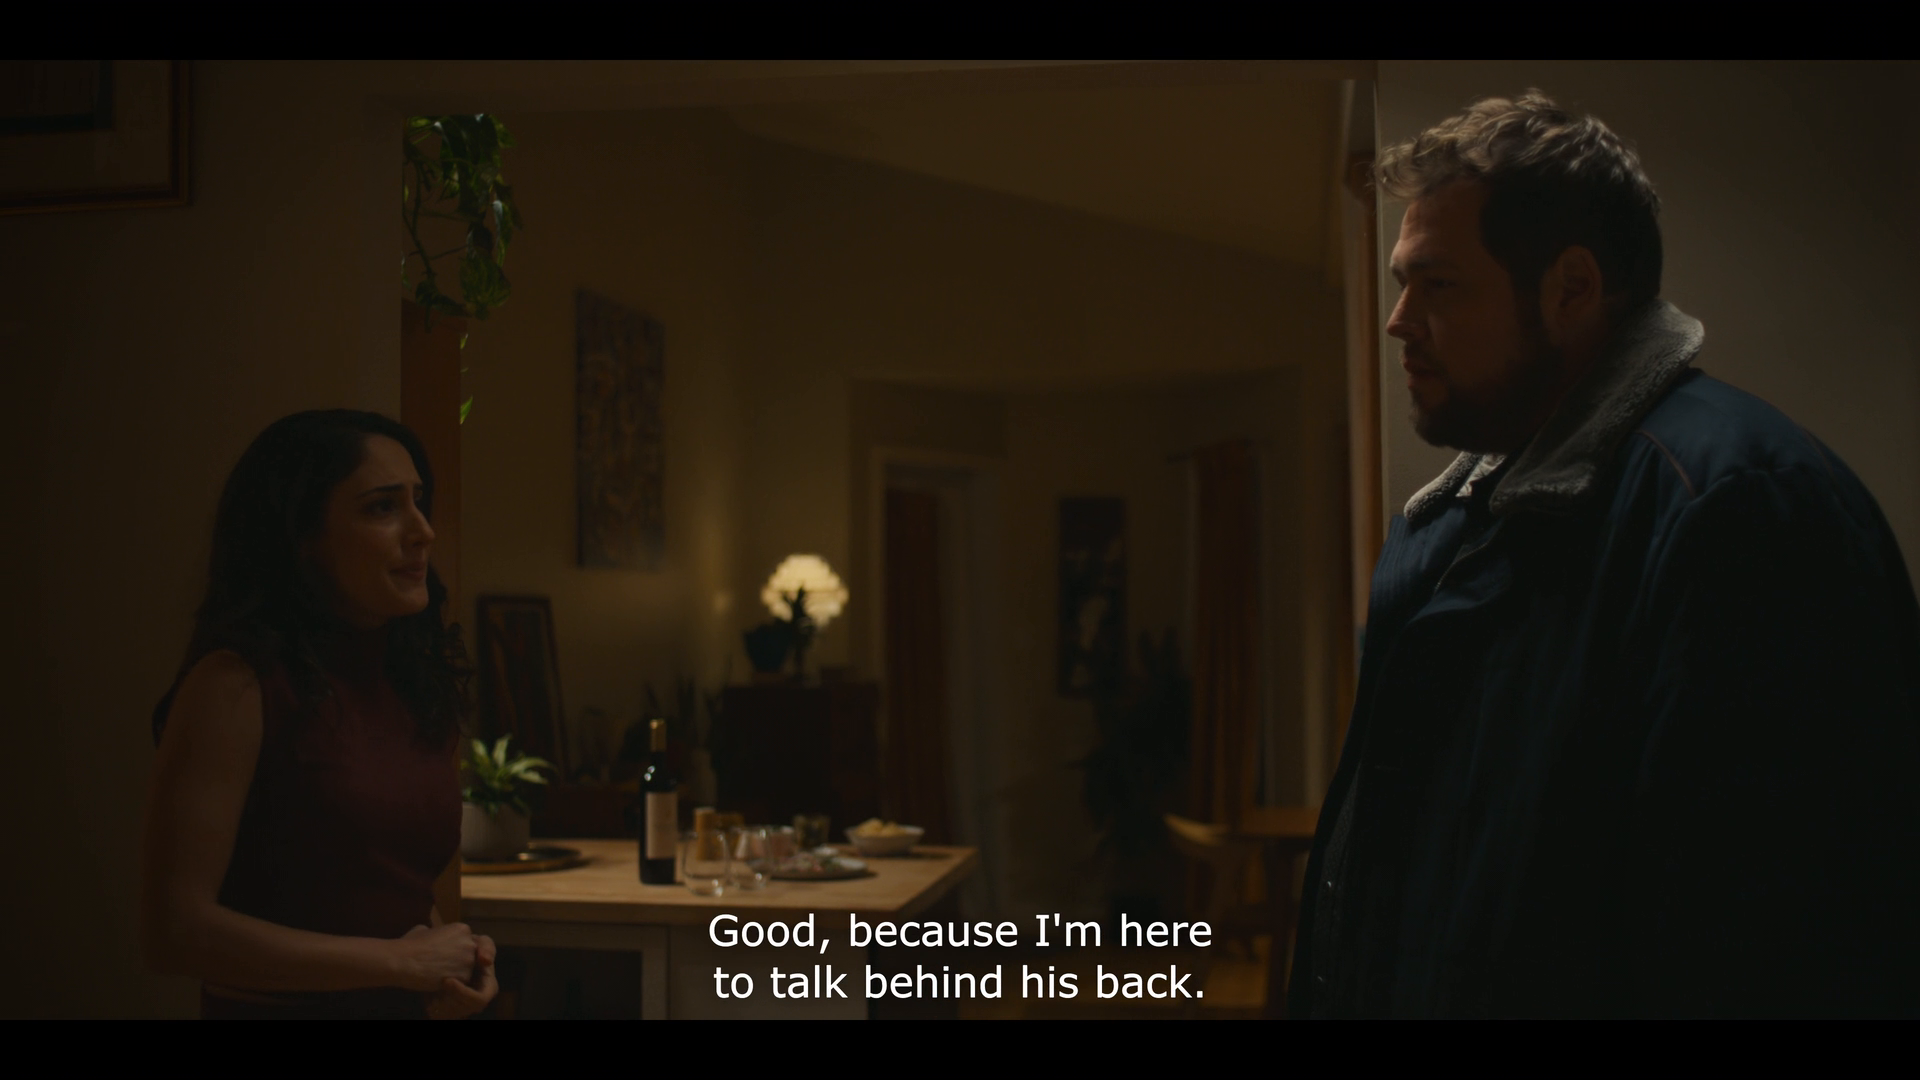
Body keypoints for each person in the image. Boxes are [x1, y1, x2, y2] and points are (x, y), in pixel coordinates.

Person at [1289, 91, 1920, 1017]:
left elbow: (1784, 939)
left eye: (1440, 284)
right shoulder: (1453, 523)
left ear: (1572, 289)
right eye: (1400, 282)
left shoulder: (1737, 505)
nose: (1399, 320)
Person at [142, 409, 499, 1019]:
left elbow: (388, 886)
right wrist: (399, 963)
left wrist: (450, 963)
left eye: (418, 502)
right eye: (383, 507)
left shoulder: (410, 682)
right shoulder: (237, 685)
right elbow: (174, 931)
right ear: (302, 538)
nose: (422, 531)